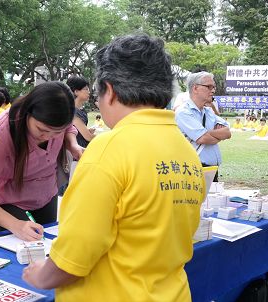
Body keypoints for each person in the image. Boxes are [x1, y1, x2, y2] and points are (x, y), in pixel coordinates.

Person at [22, 34, 205, 301]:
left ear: (110, 91)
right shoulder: (186, 150)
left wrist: (41, 275)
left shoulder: (109, 148)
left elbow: (76, 255)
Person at [0, 82, 83, 240]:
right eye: (41, 130)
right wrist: (15, 225)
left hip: (46, 193)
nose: (47, 137)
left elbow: (68, 128)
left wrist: (72, 145)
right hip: (9, 200)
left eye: (56, 132)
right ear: (28, 112)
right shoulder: (4, 130)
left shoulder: (58, 122)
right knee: (23, 248)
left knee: (48, 247)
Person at [175, 71, 231, 182]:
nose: (213, 90)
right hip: (194, 168)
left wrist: (207, 133)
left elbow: (227, 132)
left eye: (213, 87)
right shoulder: (183, 112)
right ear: (195, 88)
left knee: (212, 199)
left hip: (212, 169)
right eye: (209, 87)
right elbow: (203, 138)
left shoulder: (208, 111)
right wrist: (214, 135)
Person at [66, 76, 95, 148]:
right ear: (76, 91)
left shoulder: (81, 110)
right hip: (77, 152)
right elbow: (89, 137)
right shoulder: (73, 112)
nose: (89, 92)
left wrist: (87, 130)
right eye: (86, 89)